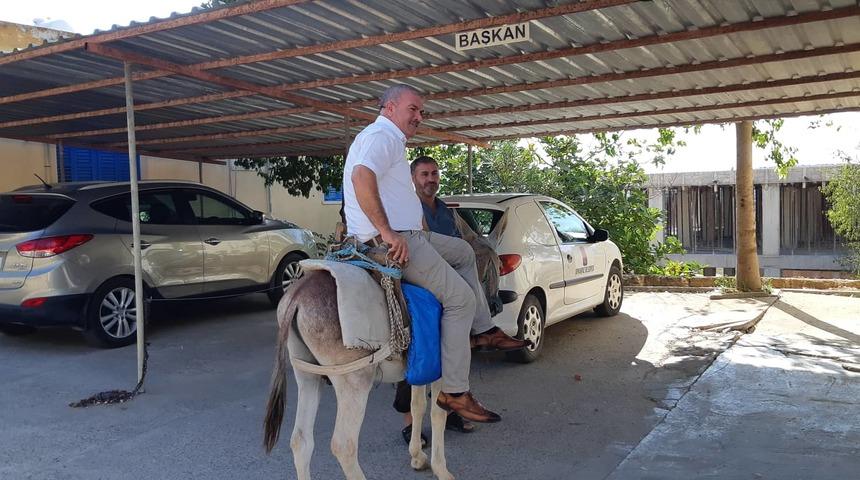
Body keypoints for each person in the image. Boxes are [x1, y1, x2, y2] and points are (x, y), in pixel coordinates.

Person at [342, 84, 527, 432]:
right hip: (396, 240)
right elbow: (360, 177)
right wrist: (388, 233)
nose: (419, 116)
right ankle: (456, 391)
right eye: (413, 109)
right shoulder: (382, 135)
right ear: (390, 106)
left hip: (411, 233)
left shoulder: (387, 138)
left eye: (421, 111)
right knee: (461, 299)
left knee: (463, 251)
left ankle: (483, 330)